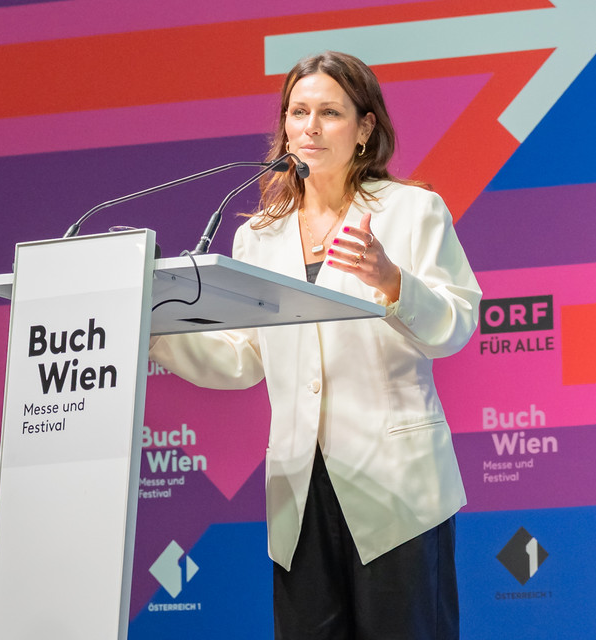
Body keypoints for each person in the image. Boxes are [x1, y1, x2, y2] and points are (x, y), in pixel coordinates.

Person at [148, 51, 481, 639]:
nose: (310, 127)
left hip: (397, 486)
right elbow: (242, 357)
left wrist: (394, 282)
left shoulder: (411, 211)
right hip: (300, 489)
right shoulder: (258, 236)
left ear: (364, 127)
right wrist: (153, 330)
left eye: (330, 112)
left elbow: (455, 323)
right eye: (298, 112)